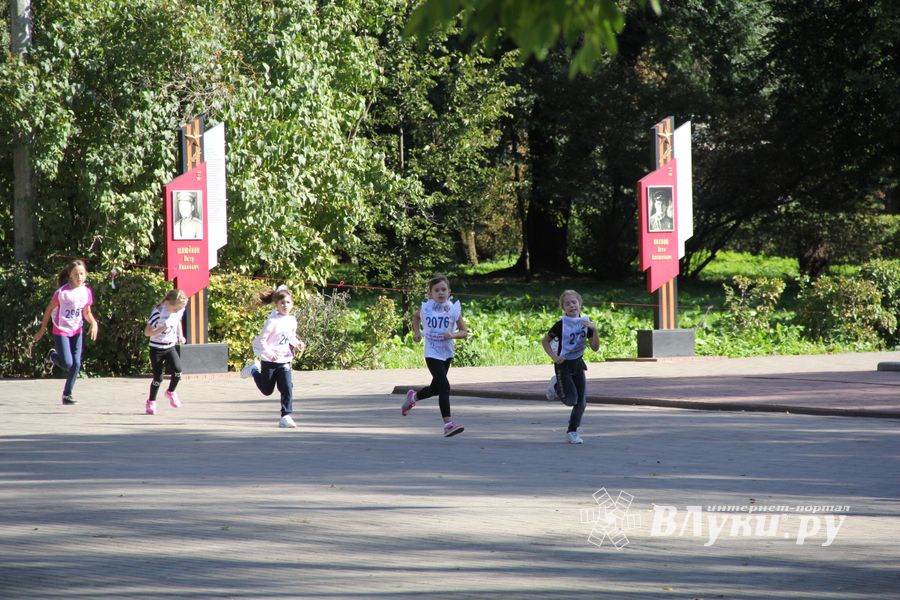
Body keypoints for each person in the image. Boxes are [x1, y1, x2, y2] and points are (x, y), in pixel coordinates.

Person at [401, 274, 468, 437]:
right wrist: (416, 333)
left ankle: (413, 397)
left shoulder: (454, 309)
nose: (440, 293)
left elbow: (464, 332)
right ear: (430, 293)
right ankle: (448, 424)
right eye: (436, 290)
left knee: (435, 389)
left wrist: (452, 335)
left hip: (447, 353)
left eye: (443, 289)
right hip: (432, 352)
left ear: (449, 291)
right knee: (444, 387)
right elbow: (415, 317)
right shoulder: (426, 308)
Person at [33, 259, 99, 405]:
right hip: (61, 330)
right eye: (76, 274)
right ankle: (52, 355)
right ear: (70, 275)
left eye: (82, 274)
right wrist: (42, 329)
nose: (79, 277)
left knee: (76, 363)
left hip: (77, 330)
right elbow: (49, 309)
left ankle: (67, 395)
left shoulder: (86, 292)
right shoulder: (62, 293)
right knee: (68, 363)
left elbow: (87, 312)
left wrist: (94, 323)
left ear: (86, 274)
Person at [239, 285, 306, 428]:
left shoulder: (292, 320)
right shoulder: (272, 321)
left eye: (288, 302)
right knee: (267, 390)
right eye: (282, 303)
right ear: (276, 305)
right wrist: (270, 354)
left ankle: (286, 416)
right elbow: (262, 340)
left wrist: (298, 343)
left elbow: (290, 337)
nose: (285, 305)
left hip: (284, 359)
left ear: (292, 304)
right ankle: (253, 370)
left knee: (287, 387)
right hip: (269, 359)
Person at [541, 290, 600, 444]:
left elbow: (595, 348)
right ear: (563, 308)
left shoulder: (586, 323)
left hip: (578, 363)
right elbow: (545, 341)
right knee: (571, 400)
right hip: (563, 364)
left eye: (574, 302)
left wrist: (595, 330)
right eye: (567, 304)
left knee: (582, 402)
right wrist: (555, 357)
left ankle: (572, 431)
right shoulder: (561, 324)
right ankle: (555, 386)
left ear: (580, 304)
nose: (571, 305)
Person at [143, 289, 188, 415]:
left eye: (179, 309)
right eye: (175, 308)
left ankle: (171, 392)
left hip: (170, 346)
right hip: (156, 348)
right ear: (168, 302)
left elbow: (177, 320)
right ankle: (151, 402)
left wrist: (180, 335)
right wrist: (162, 328)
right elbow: (147, 332)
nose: (177, 311)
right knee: (158, 378)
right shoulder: (158, 312)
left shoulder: (178, 310)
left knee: (178, 371)